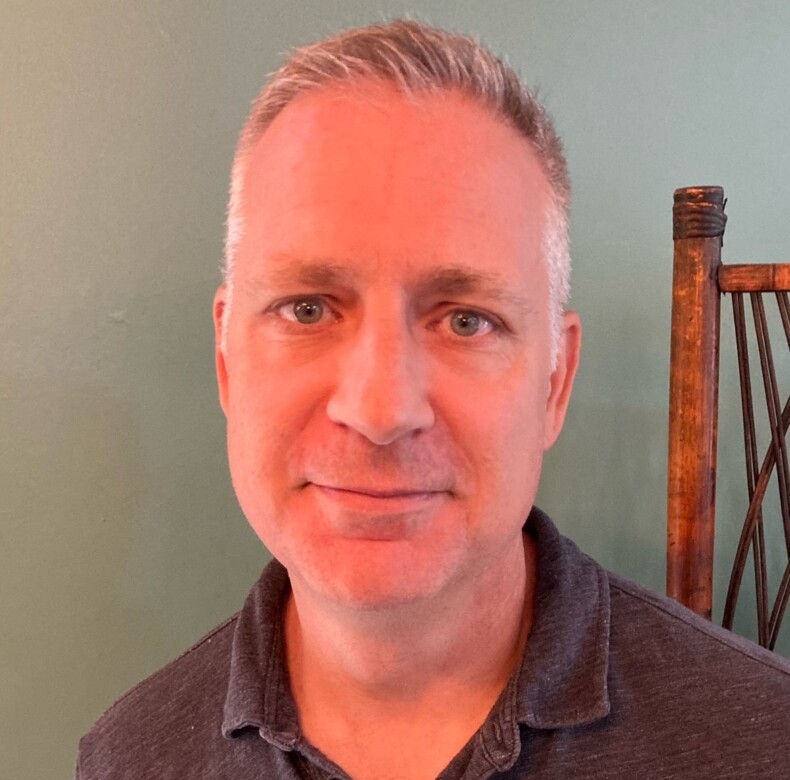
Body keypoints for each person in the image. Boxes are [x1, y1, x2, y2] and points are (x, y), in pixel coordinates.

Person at [76, 19, 790, 780]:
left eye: (466, 321)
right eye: (307, 309)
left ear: (555, 381)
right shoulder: (127, 760)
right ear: (227, 359)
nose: (380, 412)